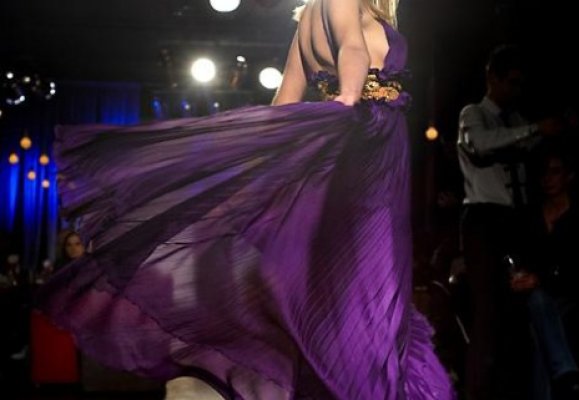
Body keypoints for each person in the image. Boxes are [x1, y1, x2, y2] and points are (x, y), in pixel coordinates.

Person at [36, 0, 454, 398]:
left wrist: (262, 161)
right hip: (365, 145)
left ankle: (345, 381)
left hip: (367, 152)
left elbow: (286, 96)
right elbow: (352, 47)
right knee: (368, 291)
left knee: (348, 286)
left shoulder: (308, 20)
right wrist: (347, 99)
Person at [456, 44, 563, 399]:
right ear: (493, 78)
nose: (515, 91)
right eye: (511, 82)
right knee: (487, 314)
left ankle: (510, 391)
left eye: (520, 84)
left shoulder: (515, 119)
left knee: (514, 312)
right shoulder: (474, 114)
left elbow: (532, 147)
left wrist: (550, 130)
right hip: (483, 219)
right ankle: (477, 393)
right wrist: (534, 129)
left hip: (514, 219)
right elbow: (481, 145)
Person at [511, 146, 579, 399]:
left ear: (568, 176)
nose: (548, 178)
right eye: (544, 173)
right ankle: (566, 373)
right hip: (533, 296)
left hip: (569, 294)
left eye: (555, 172)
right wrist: (519, 277)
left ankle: (562, 373)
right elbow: (521, 256)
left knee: (543, 314)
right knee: (539, 306)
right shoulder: (531, 216)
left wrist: (541, 278)